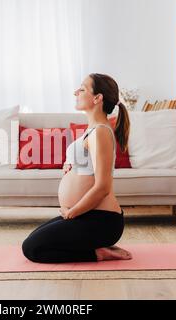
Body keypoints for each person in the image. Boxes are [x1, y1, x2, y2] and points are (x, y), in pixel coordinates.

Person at [22, 73, 132, 263]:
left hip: (102, 220)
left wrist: (72, 212)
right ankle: (95, 245)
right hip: (88, 215)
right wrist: (73, 166)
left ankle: (99, 253)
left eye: (82, 89)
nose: (75, 92)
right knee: (34, 238)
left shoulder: (100, 132)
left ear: (98, 98)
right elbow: (88, 166)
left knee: (32, 249)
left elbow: (103, 187)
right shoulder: (94, 130)